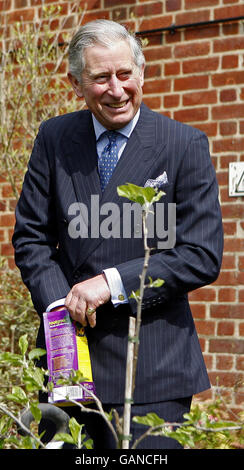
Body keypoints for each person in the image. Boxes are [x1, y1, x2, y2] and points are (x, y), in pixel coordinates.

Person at [12, 19, 223, 449]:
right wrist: (62, 306)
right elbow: (31, 238)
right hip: (69, 366)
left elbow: (201, 253)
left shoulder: (183, 145)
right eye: (100, 78)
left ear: (140, 72)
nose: (116, 89)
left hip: (155, 371)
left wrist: (108, 284)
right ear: (76, 83)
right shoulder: (53, 139)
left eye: (125, 74)